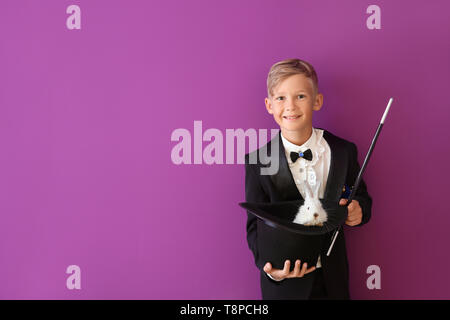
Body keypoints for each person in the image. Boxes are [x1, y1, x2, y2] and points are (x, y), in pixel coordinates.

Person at [244, 58, 372, 300]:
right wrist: (273, 272)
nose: (290, 106)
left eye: (300, 96)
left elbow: (362, 197)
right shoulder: (257, 161)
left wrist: (359, 212)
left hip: (332, 283)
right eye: (281, 98)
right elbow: (254, 225)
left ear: (317, 101)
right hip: (284, 288)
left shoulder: (344, 151)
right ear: (269, 105)